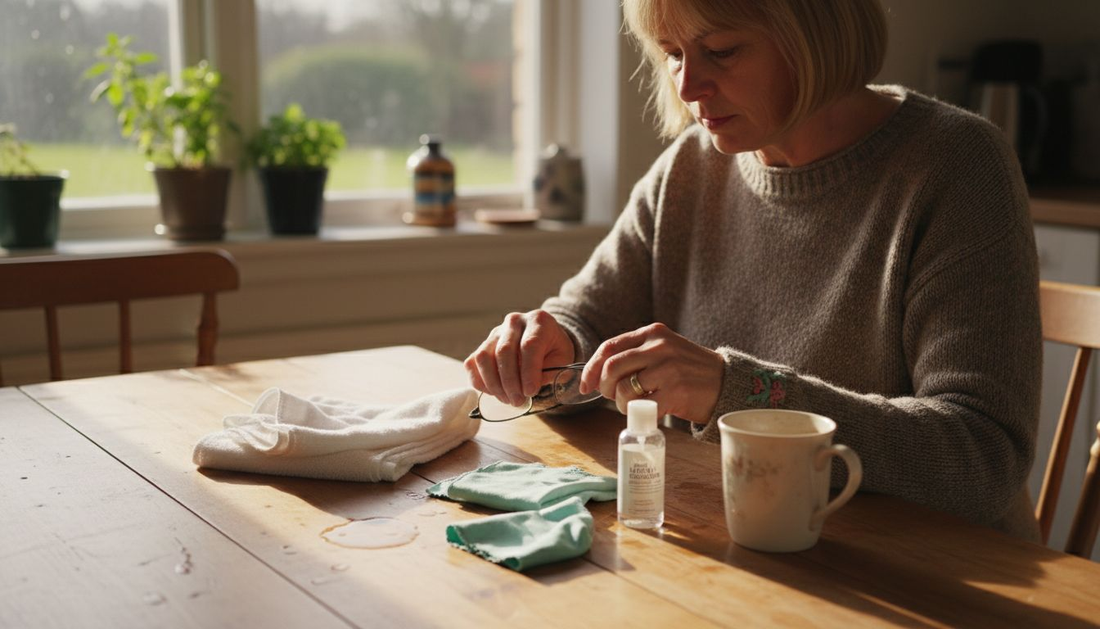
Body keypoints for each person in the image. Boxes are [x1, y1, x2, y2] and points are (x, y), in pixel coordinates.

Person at [465, 0, 1042, 541]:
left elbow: (983, 455)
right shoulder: (689, 170)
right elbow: (588, 314)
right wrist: (552, 340)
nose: (688, 87)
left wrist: (735, 393)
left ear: (816, 34)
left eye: (721, 50)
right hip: (747, 549)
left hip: (929, 574)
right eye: (672, 53)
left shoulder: (958, 166)